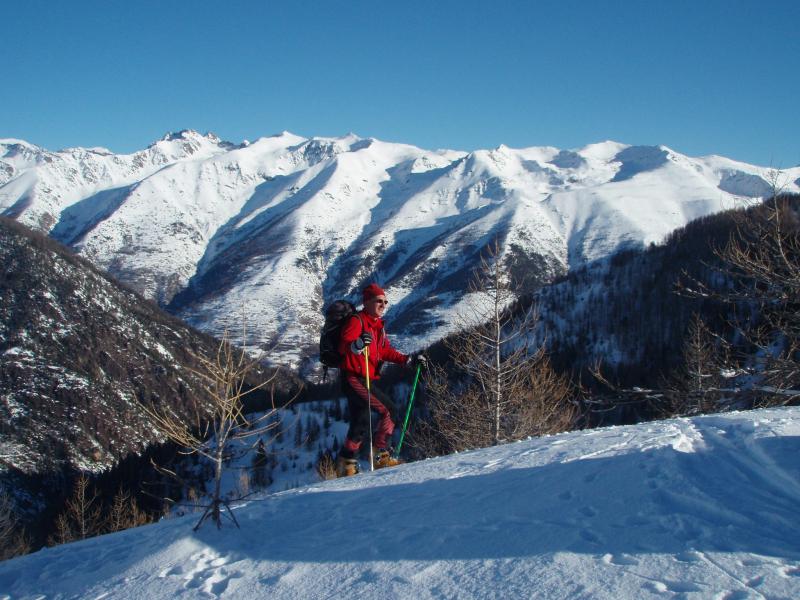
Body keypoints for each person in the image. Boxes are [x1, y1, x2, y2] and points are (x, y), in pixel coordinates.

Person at [335, 283, 425, 477]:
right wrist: (357, 345)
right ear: (366, 301)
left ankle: (346, 463)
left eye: (385, 301)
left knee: (361, 419)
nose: (383, 304)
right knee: (388, 410)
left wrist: (408, 360)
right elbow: (344, 345)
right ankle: (380, 455)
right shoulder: (357, 321)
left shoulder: (377, 326)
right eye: (378, 301)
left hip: (363, 377)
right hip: (354, 377)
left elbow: (384, 350)